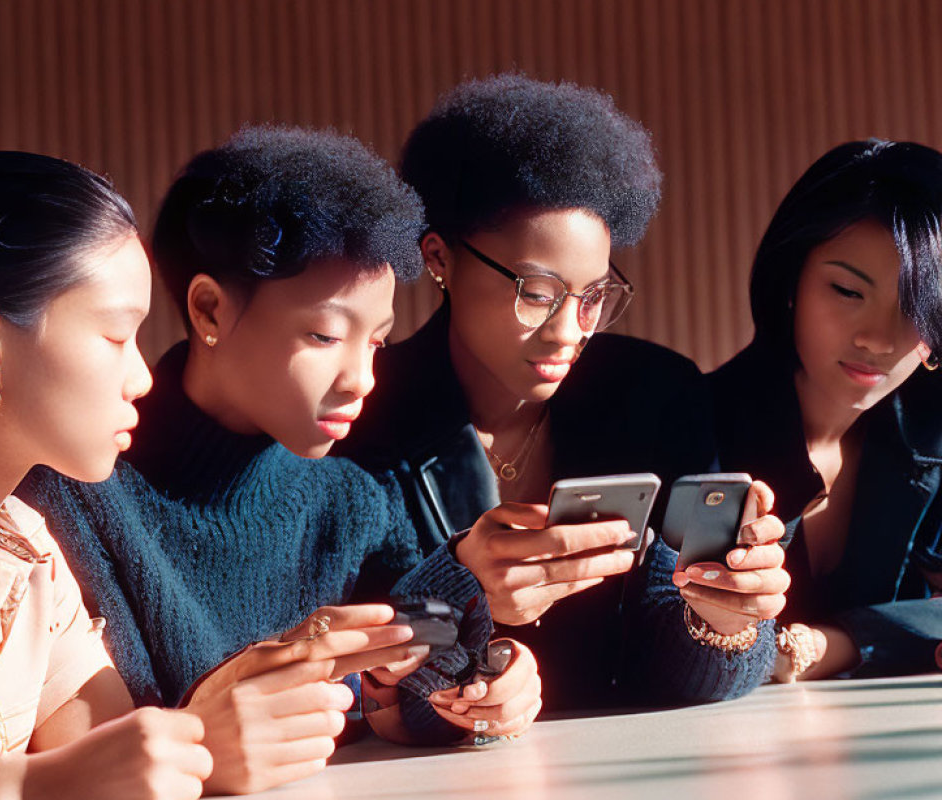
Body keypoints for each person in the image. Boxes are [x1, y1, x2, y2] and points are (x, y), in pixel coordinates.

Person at [19, 125, 541, 794]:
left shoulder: (353, 499)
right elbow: (98, 753)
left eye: (376, 343)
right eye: (324, 334)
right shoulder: (75, 491)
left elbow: (413, 697)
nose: (361, 379)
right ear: (208, 309)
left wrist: (490, 680)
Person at [338, 73, 790, 710]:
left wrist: (727, 620)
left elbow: (677, 673)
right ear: (439, 258)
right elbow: (343, 661)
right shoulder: (362, 416)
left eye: (592, 297)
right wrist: (463, 594)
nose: (567, 334)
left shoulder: (656, 395)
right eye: (538, 293)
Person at [0, 150, 213, 799]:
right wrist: (34, 786)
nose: (144, 377)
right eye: (118, 336)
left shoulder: (26, 549)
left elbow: (107, 750)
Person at [679, 139, 942, 685]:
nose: (877, 339)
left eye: (917, 308)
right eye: (847, 291)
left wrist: (826, 645)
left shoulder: (930, 434)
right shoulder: (689, 422)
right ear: (790, 282)